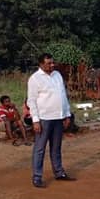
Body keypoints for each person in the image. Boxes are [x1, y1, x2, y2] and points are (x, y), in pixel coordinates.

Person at [27, 53, 74, 187]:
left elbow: (63, 96)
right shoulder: (35, 79)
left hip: (58, 117)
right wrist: (35, 120)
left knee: (56, 147)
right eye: (48, 63)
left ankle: (59, 172)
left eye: (53, 63)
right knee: (40, 149)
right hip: (44, 119)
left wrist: (66, 114)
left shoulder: (57, 75)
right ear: (41, 64)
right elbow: (31, 101)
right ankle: (37, 177)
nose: (52, 65)